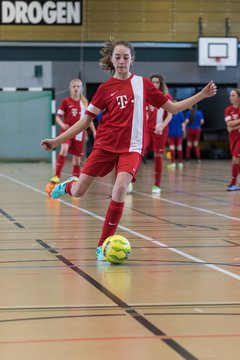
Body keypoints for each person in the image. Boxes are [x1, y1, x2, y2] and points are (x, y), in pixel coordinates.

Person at [41, 39, 217, 261]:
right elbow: (85, 121)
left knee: (120, 189)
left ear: (132, 59)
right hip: (104, 146)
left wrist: (201, 95)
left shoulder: (143, 84)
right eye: (117, 57)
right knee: (79, 192)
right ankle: (69, 185)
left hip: (131, 148)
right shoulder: (104, 89)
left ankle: (102, 245)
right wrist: (56, 141)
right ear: (112, 60)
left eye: (126, 57)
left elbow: (172, 107)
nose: (122, 61)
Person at [50, 79, 96, 184]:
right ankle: (56, 175)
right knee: (64, 149)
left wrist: (94, 131)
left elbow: (88, 120)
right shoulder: (66, 101)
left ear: (81, 89)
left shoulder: (84, 103)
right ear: (70, 88)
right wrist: (62, 125)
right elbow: (57, 117)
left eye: (78, 86)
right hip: (67, 132)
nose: (76, 88)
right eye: (74, 86)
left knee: (77, 159)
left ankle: (75, 181)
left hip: (79, 133)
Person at [146, 74, 172, 193]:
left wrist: (162, 125)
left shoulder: (166, 97)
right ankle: (130, 182)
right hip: (147, 130)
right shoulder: (146, 96)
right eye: (153, 82)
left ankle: (157, 184)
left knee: (158, 156)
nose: (155, 84)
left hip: (160, 130)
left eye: (157, 82)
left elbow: (170, 115)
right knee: (137, 153)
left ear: (161, 84)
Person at [224, 88, 240, 191]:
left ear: (239, 97)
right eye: (230, 95)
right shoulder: (228, 109)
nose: (231, 97)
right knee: (236, 160)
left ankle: (233, 183)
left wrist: (234, 126)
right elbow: (229, 123)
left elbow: (231, 126)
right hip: (232, 138)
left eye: (233, 95)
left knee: (235, 159)